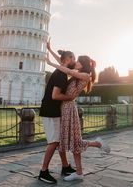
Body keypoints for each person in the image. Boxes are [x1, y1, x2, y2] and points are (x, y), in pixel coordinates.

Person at [46, 50, 111, 182]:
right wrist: (50, 50)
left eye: (79, 62)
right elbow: (63, 64)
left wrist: (49, 63)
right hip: (65, 108)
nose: (75, 63)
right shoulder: (79, 74)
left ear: (83, 65)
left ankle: (97, 145)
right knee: (71, 141)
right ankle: (79, 171)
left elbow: (67, 70)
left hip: (69, 109)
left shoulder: (85, 75)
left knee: (75, 141)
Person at [38, 47, 77, 184]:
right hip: (51, 111)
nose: (75, 60)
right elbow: (55, 95)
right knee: (54, 142)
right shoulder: (61, 75)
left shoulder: (61, 70)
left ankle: (65, 167)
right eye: (73, 58)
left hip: (52, 110)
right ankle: (43, 171)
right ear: (67, 60)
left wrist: (50, 49)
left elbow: (58, 60)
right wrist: (69, 97)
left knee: (58, 140)